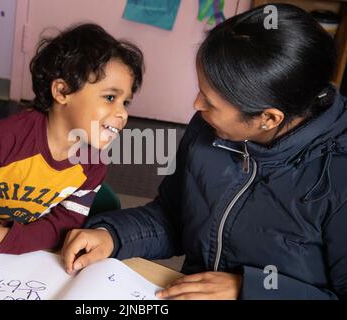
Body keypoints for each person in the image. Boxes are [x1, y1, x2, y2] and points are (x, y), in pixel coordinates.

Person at [61, 4, 347, 300]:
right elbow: (176, 217)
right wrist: (114, 235)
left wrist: (249, 289)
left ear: (269, 118)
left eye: (210, 102)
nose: (197, 106)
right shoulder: (207, 130)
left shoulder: (338, 179)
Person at [0, 23, 144, 286]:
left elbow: (63, 224)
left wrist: (5, 240)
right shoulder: (3, 138)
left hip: (16, 262)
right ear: (62, 91)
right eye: (110, 97)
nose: (123, 113)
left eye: (126, 102)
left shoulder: (93, 164)